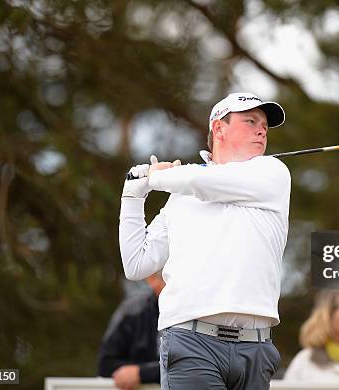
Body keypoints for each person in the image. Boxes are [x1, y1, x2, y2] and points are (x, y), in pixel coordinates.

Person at [118, 92, 291, 389]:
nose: (261, 130)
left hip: (256, 348)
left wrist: (150, 176)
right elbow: (136, 264)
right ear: (218, 128)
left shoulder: (272, 172)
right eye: (250, 121)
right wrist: (132, 194)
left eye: (264, 125)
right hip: (192, 343)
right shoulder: (180, 196)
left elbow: (202, 182)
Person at [97, 272, 166, 390]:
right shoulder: (132, 311)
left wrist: (142, 373)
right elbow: (105, 364)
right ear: (152, 279)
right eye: (168, 278)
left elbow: (193, 365)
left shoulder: (197, 313)